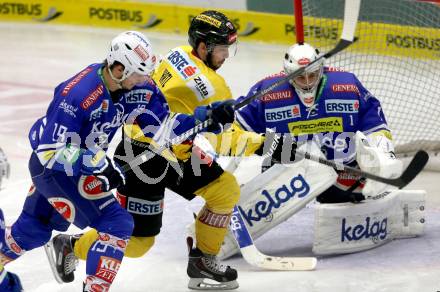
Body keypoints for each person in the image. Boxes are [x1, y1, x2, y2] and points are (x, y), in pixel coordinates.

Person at [0, 30, 235, 292]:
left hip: (76, 168)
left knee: (32, 230)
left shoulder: (139, 86)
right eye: (138, 73)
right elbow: (49, 151)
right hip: (57, 170)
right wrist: (98, 164)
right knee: (117, 223)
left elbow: (161, 129)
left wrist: (204, 119)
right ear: (119, 67)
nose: (144, 80)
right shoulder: (78, 94)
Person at [46, 10, 263, 291]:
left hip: (160, 148)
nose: (225, 56)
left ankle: (202, 261)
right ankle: (72, 246)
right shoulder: (214, 84)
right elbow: (227, 141)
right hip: (146, 158)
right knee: (138, 243)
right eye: (222, 49)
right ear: (202, 47)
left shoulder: (177, 52)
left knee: (224, 189)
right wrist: (271, 147)